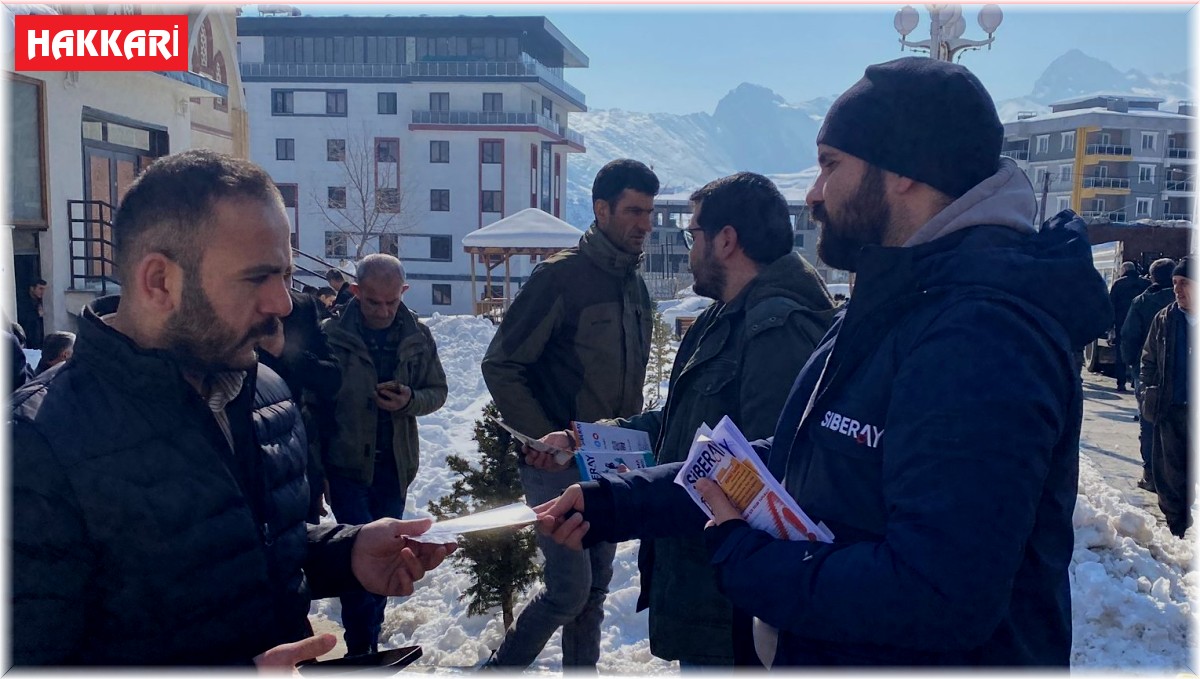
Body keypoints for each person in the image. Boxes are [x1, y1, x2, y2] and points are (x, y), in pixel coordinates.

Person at [534, 57, 1111, 667]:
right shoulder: (897, 300)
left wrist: (741, 552)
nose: (812, 196)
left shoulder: (981, 335)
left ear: (905, 171)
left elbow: (938, 593)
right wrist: (620, 501)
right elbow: (795, 453)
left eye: (830, 165)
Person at [10, 149, 452, 666]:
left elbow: (242, 545)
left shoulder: (264, 391)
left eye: (285, 275)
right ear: (159, 281)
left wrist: (346, 552)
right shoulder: (33, 448)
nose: (283, 304)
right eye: (257, 278)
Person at [542, 172, 834, 667]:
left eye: (692, 234)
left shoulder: (777, 332)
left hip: (734, 613)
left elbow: (767, 480)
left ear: (726, 240)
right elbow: (681, 423)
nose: (686, 247)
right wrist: (587, 439)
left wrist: (618, 506)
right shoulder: (719, 319)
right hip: (702, 588)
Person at [480, 158, 659, 670]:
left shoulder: (635, 286)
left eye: (648, 212)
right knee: (568, 591)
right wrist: (543, 438)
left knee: (595, 594)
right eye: (633, 211)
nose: (644, 224)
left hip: (610, 465)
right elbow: (502, 363)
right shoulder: (559, 278)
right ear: (601, 210)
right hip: (555, 467)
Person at [322, 253, 448, 656]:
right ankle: (362, 647)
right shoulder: (330, 336)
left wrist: (410, 399)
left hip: (394, 466)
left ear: (403, 293)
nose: (384, 310)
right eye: (373, 302)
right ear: (355, 292)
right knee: (358, 556)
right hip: (345, 467)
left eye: (392, 302)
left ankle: (368, 640)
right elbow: (312, 404)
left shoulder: (417, 336)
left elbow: (437, 392)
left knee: (387, 554)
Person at [257, 288, 342, 523]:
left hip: (297, 464)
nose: (283, 300)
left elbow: (331, 379)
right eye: (265, 274)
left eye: (287, 275)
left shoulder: (301, 308)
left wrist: (286, 352)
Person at [1139, 256, 1192, 538]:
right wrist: (1147, 389)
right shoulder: (1165, 318)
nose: (1177, 289)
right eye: (1174, 283)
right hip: (1171, 407)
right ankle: (1177, 528)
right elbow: (1148, 359)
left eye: (1184, 283)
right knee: (1170, 475)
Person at [1121, 257, 1177, 491]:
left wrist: (1131, 365)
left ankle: (1151, 475)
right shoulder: (1183, 301)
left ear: (1152, 277)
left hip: (1148, 373)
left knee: (1149, 422)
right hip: (1179, 373)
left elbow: (1129, 335)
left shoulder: (1142, 302)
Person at [1108, 261, 1150, 392]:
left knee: (1121, 354)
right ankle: (1135, 380)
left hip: (1122, 324)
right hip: (1142, 325)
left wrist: (1110, 327)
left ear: (1124, 269)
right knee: (1141, 353)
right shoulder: (1146, 283)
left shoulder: (1118, 284)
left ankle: (1121, 383)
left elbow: (1111, 305)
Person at [17, 277, 46, 349]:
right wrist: (37, 314)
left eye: (44, 289)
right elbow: (24, 319)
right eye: (40, 289)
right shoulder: (23, 302)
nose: (42, 292)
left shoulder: (37, 302)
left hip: (37, 341)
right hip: (26, 339)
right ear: (32, 288)